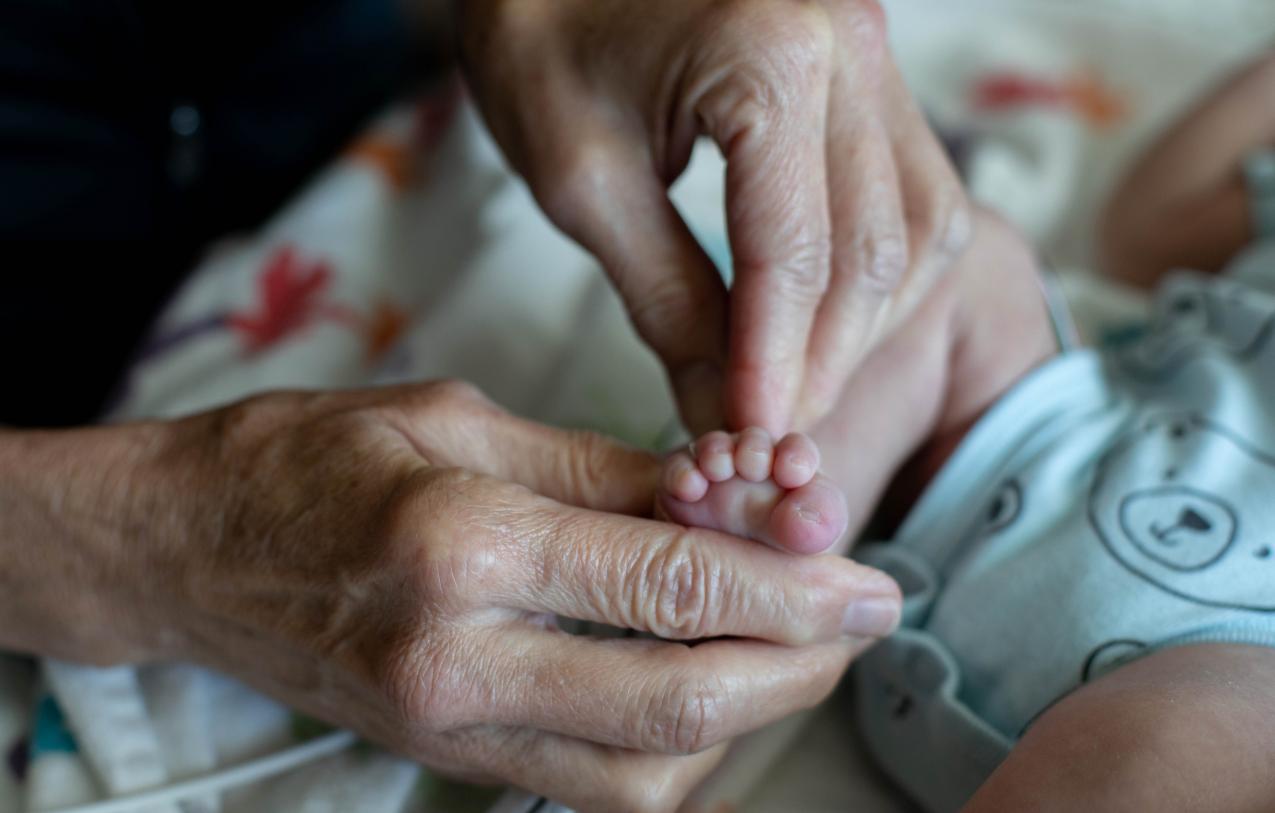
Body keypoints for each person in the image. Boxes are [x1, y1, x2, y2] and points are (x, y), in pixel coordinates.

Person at [0, 0, 970, 809]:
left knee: (931, 292)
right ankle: (805, 486)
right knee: (951, 306)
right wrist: (153, 531)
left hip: (370, 110)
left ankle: (803, 475)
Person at [660, 48, 1275, 811]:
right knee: (956, 254)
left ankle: (736, 610)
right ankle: (779, 544)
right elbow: (1140, 232)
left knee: (1173, 762)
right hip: (1063, 446)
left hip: (1242, 659)